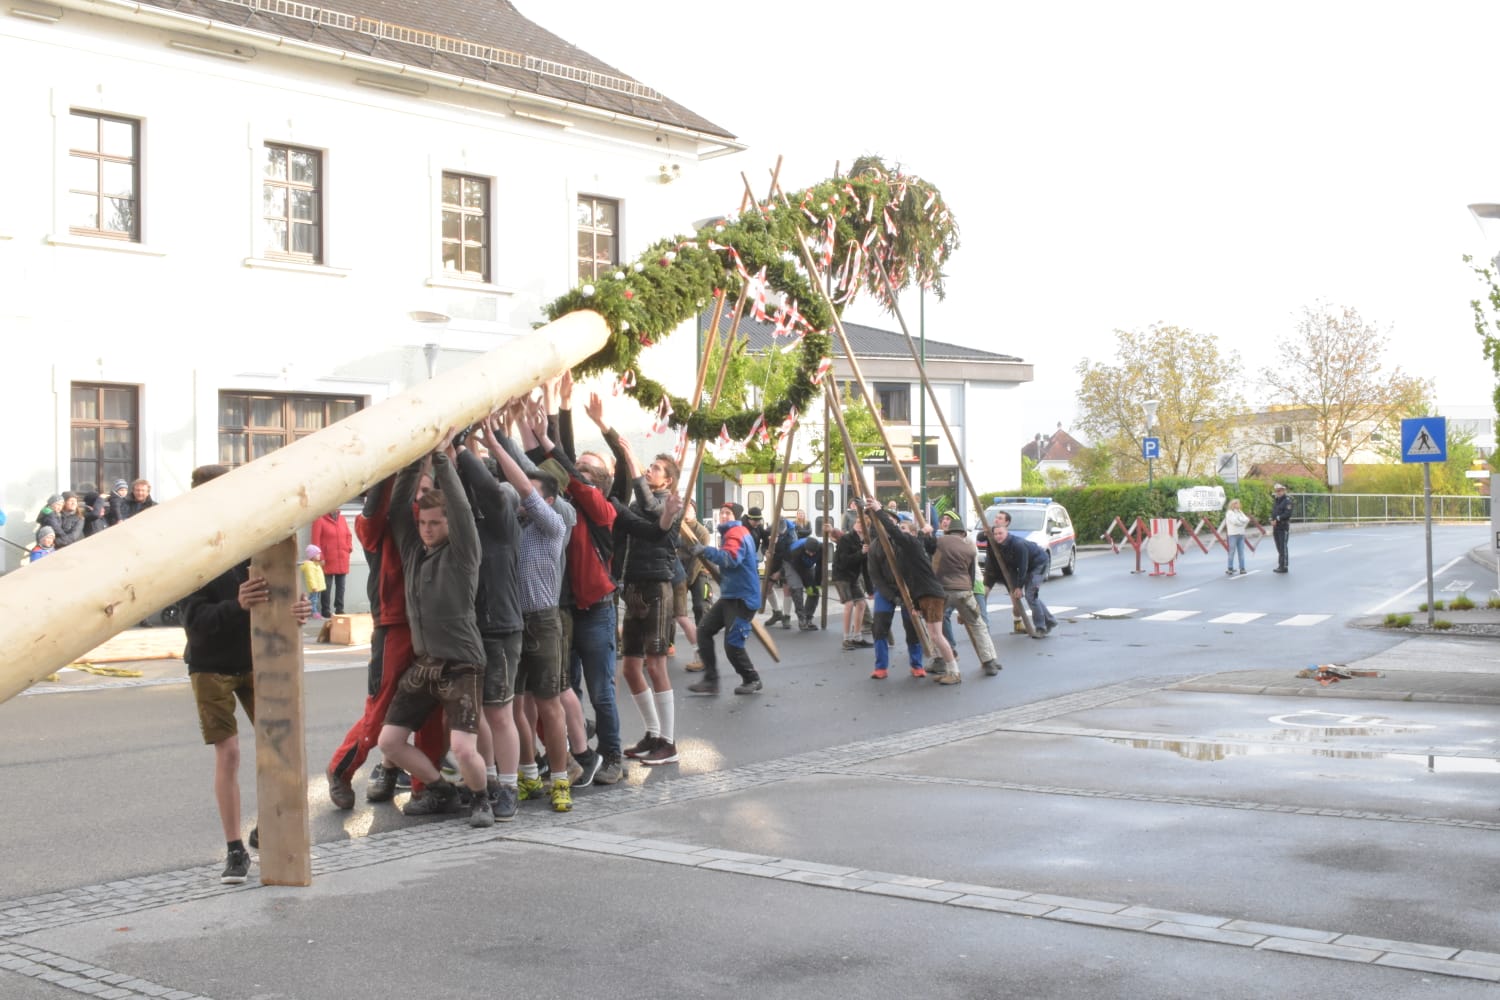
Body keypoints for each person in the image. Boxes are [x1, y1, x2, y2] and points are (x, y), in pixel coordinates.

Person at [178, 463, 313, 883]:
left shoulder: (254, 537)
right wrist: (235, 604)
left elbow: (278, 593)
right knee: (230, 753)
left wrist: (296, 609)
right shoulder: (192, 551)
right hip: (210, 665)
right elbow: (194, 621)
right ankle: (235, 848)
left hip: (259, 657)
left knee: (281, 744)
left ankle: (267, 827)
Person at [376, 443, 494, 827]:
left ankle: (481, 799)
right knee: (388, 742)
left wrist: (442, 459)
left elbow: (461, 510)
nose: (427, 529)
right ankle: (441, 789)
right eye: (423, 523)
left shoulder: (463, 553)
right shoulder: (414, 551)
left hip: (462, 665)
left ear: (449, 525)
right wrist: (415, 462)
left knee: (462, 748)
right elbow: (397, 510)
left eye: (435, 523)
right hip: (425, 664)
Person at [866, 499, 960, 682]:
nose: (897, 529)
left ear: (911, 534)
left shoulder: (908, 544)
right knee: (883, 627)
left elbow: (915, 574)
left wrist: (878, 509)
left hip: (925, 593)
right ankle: (881, 667)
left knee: (931, 634)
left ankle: (948, 669)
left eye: (901, 527)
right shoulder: (884, 546)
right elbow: (883, 575)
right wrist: (908, 602)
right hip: (911, 593)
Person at [687, 502, 764, 695]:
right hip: (731, 595)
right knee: (704, 631)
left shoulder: (736, 533)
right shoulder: (733, 533)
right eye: (721, 512)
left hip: (743, 599)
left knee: (732, 645)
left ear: (736, 517)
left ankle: (752, 679)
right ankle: (711, 680)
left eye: (728, 513)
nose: (723, 516)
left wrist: (706, 551)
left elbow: (730, 559)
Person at [934, 513, 1002, 676]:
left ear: (949, 532)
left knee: (934, 625)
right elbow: (971, 574)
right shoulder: (969, 548)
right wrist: (969, 593)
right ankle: (989, 661)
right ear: (963, 533)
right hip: (964, 591)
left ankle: (940, 659)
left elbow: (934, 566)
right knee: (978, 625)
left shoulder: (940, 542)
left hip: (943, 590)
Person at [986, 509, 1058, 637]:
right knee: (1032, 596)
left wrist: (1019, 587)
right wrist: (1014, 587)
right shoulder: (1001, 545)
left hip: (1039, 563)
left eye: (1000, 533)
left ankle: (1041, 628)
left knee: (1030, 595)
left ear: (1007, 532)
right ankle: (1050, 620)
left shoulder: (1018, 544)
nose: (998, 536)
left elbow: (1022, 567)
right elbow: (1012, 568)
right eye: (995, 534)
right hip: (1029, 566)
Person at [831, 519, 872, 650]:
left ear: (867, 527)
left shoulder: (865, 542)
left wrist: (870, 590)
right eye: (858, 522)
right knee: (849, 604)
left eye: (863, 523)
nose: (859, 525)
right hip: (841, 575)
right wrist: (861, 553)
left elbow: (865, 568)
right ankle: (846, 639)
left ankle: (857, 637)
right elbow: (844, 562)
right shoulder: (846, 539)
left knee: (861, 604)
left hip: (853, 577)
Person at [311, 509, 354, 617]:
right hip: (327, 559)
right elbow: (315, 541)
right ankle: (325, 610)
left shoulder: (342, 519)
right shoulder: (319, 520)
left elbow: (348, 535)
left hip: (342, 558)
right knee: (326, 586)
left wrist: (348, 547)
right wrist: (320, 557)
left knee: (341, 586)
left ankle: (339, 608)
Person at [300, 544, 327, 618]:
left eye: (319, 554)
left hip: (317, 586)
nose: (319, 555)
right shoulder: (310, 566)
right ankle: (313, 612)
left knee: (313, 599)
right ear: (312, 556)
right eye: (317, 554)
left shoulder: (315, 564)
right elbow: (310, 577)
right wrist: (314, 586)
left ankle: (308, 611)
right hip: (314, 587)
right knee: (313, 600)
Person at [1224, 499, 1250, 575]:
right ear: (1233, 505)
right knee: (1232, 552)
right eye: (1237, 503)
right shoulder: (1229, 513)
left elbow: (1247, 519)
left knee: (1241, 552)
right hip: (1233, 534)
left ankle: (1242, 568)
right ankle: (1230, 568)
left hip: (1241, 534)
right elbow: (1235, 522)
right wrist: (1242, 522)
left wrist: (1240, 520)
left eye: (1239, 503)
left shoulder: (1240, 512)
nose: (1239, 505)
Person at [1270, 484, 1292, 573]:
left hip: (1283, 527)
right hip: (1276, 527)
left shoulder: (1287, 501)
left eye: (1279, 491)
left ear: (1283, 491)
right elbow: (1274, 512)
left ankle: (1284, 566)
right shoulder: (1277, 500)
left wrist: (1277, 519)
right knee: (1278, 547)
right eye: (1277, 491)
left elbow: (1287, 514)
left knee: (1283, 547)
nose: (1278, 492)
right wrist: (1272, 520)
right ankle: (1280, 565)